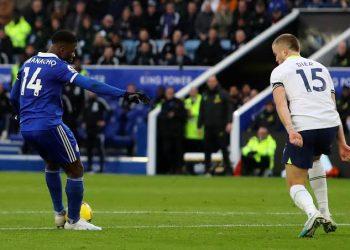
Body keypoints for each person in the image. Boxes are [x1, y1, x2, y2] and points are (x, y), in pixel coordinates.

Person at [9, 30, 149, 231]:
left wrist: (18, 115)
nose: (73, 55)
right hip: (49, 125)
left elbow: (14, 96)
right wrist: (124, 94)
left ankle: (59, 214)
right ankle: (74, 221)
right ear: (62, 48)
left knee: (52, 163)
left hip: (27, 127)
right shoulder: (58, 66)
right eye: (72, 51)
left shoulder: (28, 63)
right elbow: (90, 84)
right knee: (76, 169)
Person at [270, 33, 350, 238]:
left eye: (276, 54)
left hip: (304, 126)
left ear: (285, 51)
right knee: (315, 161)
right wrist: (342, 141)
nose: (276, 59)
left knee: (294, 182)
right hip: (329, 126)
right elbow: (332, 107)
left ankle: (312, 213)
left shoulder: (280, 70)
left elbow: (281, 104)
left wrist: (290, 129)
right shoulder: (322, 68)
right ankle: (326, 213)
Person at [198, 75, 233, 175]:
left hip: (220, 126)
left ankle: (228, 170)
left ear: (216, 82)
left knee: (223, 148)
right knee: (207, 149)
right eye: (209, 82)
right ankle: (207, 170)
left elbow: (229, 109)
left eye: (213, 81)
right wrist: (199, 125)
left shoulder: (223, 94)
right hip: (208, 126)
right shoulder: (204, 95)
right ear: (207, 83)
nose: (211, 83)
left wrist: (229, 122)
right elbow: (201, 111)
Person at [158, 87, 187, 174]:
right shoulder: (163, 103)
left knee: (178, 152)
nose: (169, 94)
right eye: (168, 92)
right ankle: (170, 168)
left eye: (171, 92)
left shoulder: (179, 102)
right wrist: (167, 115)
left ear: (173, 93)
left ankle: (178, 169)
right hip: (167, 133)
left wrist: (175, 114)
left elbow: (184, 115)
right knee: (167, 151)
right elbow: (161, 116)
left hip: (177, 133)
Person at [83, 92, 111, 173]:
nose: (90, 93)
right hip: (88, 129)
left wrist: (104, 121)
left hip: (98, 129)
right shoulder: (86, 102)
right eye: (89, 91)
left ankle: (102, 168)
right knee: (89, 149)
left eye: (91, 91)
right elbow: (84, 114)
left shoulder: (100, 101)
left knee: (99, 149)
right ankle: (89, 167)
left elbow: (109, 111)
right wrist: (83, 122)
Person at [184, 87, 204, 174]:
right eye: (191, 91)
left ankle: (201, 170)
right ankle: (190, 170)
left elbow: (204, 112)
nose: (192, 92)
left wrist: (192, 113)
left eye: (194, 91)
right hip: (189, 132)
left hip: (200, 132)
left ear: (197, 91)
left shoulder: (202, 100)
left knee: (200, 153)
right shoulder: (187, 101)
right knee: (189, 153)